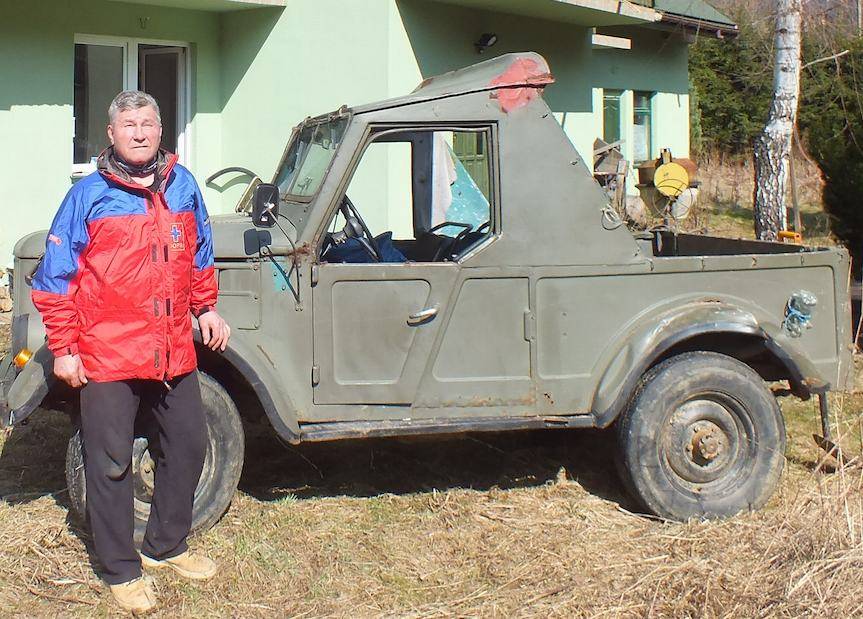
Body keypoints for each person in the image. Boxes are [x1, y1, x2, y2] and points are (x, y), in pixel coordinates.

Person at [31, 90, 230, 613]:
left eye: (148, 123)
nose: (139, 133)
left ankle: (166, 545)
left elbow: (200, 251)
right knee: (112, 462)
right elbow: (54, 280)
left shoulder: (182, 186)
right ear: (111, 133)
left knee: (188, 444)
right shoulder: (88, 195)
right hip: (108, 352)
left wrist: (206, 308)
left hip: (171, 349)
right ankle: (120, 569)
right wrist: (64, 348)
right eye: (128, 125)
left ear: (161, 131)